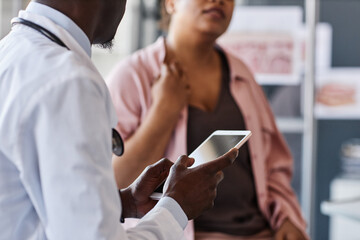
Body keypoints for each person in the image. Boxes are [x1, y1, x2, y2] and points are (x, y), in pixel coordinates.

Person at [0, 0, 240, 239]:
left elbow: (38, 202)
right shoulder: (70, 81)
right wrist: (176, 207)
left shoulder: (13, 50)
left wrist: (122, 202)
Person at [106, 0, 309, 239]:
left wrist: (287, 218)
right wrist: (163, 113)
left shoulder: (241, 74)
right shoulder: (132, 75)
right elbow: (114, 182)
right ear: (171, 3)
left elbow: (273, 166)